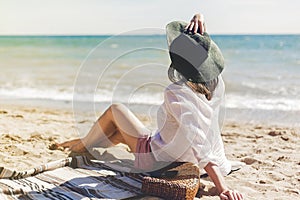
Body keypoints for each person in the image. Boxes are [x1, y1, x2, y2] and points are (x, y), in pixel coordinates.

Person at [56, 14, 244, 200]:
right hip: (189, 158)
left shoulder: (177, 92)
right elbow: (200, 138)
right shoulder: (217, 84)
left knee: (116, 110)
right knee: (116, 133)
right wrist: (200, 18)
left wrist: (223, 189)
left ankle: (79, 146)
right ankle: (83, 143)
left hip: (159, 162)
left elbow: (199, 144)